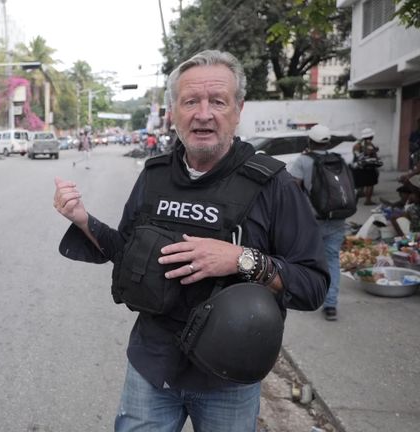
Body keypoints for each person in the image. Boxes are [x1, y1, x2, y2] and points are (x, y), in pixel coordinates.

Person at [53, 50, 328, 431]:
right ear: (173, 112)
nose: (204, 113)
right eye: (191, 101)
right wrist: (83, 221)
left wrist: (241, 259)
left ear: (238, 109)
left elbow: (314, 284)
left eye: (217, 101)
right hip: (152, 364)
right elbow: (126, 254)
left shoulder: (273, 185)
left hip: (229, 377)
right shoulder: (154, 175)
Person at [287, 125, 345, 322]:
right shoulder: (338, 158)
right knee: (332, 259)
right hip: (337, 217)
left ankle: (306, 297)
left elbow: (293, 190)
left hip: (312, 219)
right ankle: (330, 306)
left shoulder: (303, 160)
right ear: (327, 142)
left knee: (307, 258)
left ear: (309, 141)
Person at [350, 128, 382, 205]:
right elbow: (370, 153)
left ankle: (354, 200)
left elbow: (356, 155)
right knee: (370, 184)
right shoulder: (369, 144)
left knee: (358, 184)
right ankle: (368, 200)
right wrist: (375, 151)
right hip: (367, 167)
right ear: (371, 136)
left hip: (357, 167)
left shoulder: (357, 144)